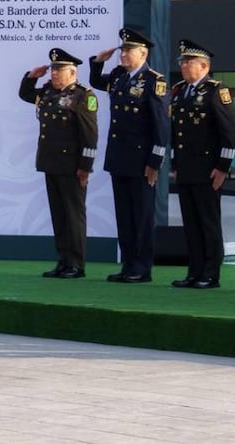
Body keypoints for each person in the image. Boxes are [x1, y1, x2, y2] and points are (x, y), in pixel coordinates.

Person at [90, 27, 169, 283]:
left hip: (141, 160)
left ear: (143, 54)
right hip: (119, 157)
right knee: (124, 216)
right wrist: (97, 62)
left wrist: (155, 161)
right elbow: (96, 82)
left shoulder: (154, 81)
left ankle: (142, 268)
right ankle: (128, 264)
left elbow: (160, 126)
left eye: (128, 50)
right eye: (122, 50)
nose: (123, 54)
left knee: (142, 216)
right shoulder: (119, 76)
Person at [18, 48, 98, 279]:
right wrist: (32, 76)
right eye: (52, 69)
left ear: (72, 72)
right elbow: (25, 94)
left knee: (73, 215)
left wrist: (85, 167)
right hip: (51, 162)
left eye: (59, 69)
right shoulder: (48, 92)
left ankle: (76, 264)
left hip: (72, 166)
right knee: (59, 215)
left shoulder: (83, 96)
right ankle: (63, 260)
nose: (54, 73)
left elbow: (90, 135)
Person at [169, 39, 235, 290]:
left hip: (208, 169)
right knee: (191, 223)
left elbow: (229, 132)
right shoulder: (180, 91)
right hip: (186, 167)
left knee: (208, 222)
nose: (183, 66)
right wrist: (175, 162)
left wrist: (223, 167)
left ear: (204, 66)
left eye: (188, 62)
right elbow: (177, 132)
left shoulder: (215, 91)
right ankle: (194, 271)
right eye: (182, 62)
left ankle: (210, 273)